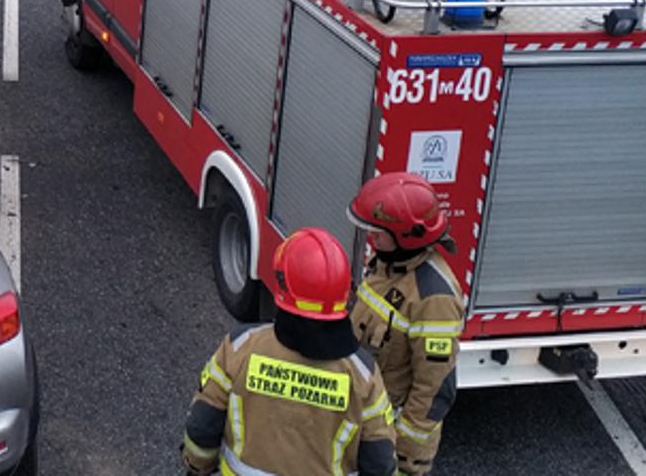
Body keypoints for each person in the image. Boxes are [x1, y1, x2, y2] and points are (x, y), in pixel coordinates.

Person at [183, 227, 397, 476]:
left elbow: (203, 426)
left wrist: (197, 467)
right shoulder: (363, 374)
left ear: (283, 286)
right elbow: (380, 461)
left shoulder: (241, 346)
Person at [346, 173, 466, 476]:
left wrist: (401, 453)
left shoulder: (434, 299)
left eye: (379, 231)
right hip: (364, 423)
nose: (372, 237)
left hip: (393, 445)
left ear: (406, 236)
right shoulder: (387, 265)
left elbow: (434, 390)